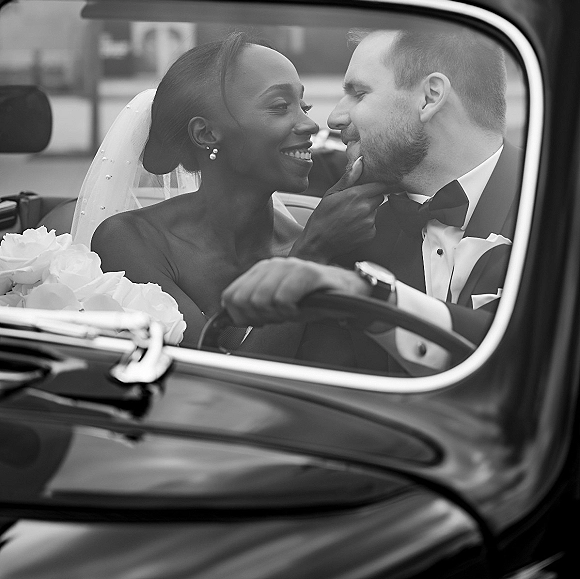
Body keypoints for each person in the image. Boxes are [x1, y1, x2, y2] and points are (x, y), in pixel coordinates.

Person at [221, 24, 522, 371]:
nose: (333, 118)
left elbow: (534, 359)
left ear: (430, 97)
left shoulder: (560, 206)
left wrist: (372, 296)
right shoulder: (353, 240)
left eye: (359, 93)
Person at [74, 32, 327, 349]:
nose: (309, 125)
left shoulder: (302, 239)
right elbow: (219, 384)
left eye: (303, 105)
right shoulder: (133, 240)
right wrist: (313, 259)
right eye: (280, 106)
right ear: (206, 133)